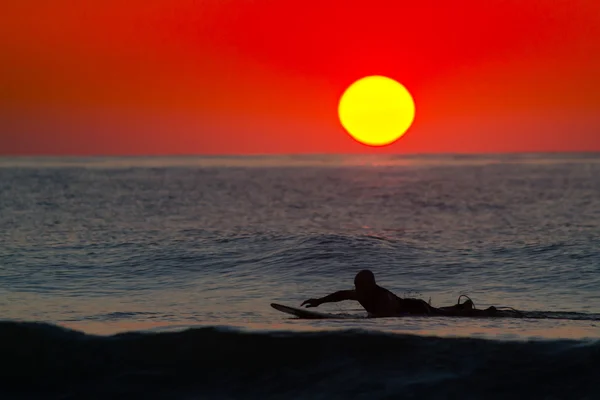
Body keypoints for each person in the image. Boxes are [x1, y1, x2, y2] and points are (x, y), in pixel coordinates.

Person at [301, 269, 501, 318]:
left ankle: (486, 312)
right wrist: (318, 301)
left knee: (444, 315)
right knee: (441, 310)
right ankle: (462, 306)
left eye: (359, 285)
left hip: (414, 308)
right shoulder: (362, 293)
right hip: (411, 305)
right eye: (355, 284)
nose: (356, 288)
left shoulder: (377, 295)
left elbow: (392, 313)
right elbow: (340, 295)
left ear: (371, 284)